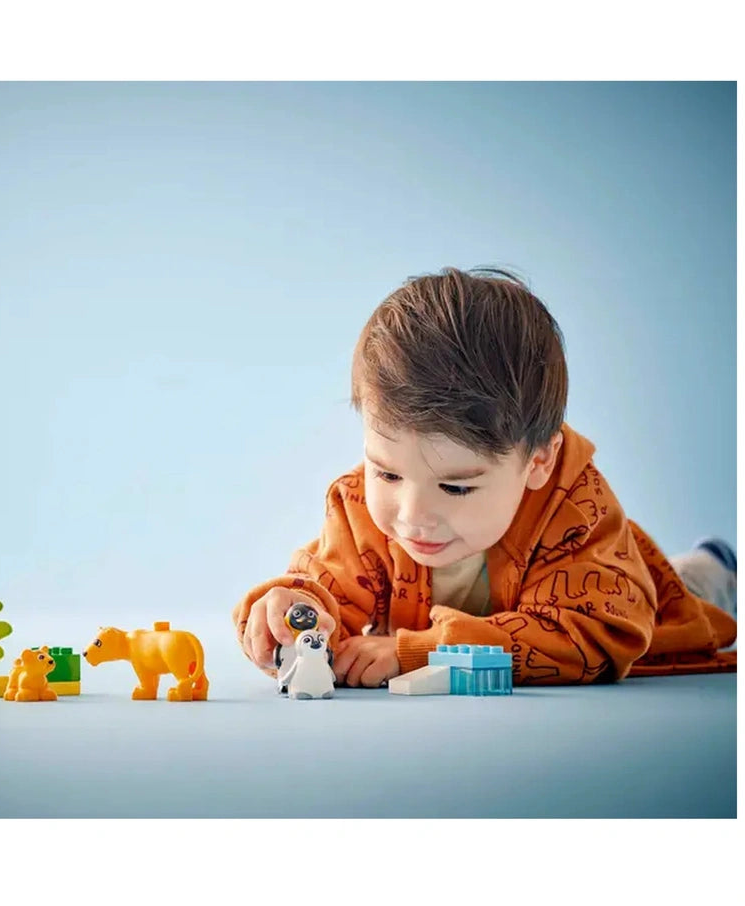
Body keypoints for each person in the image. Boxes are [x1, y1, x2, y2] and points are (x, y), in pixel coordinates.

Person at [232, 267, 737, 687]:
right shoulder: (362, 505)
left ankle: (712, 567)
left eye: (456, 486)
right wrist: (295, 605)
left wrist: (423, 653)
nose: (412, 517)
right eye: (386, 472)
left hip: (625, 592)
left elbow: (592, 636)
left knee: (682, 599)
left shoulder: (577, 514)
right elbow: (330, 582)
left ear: (537, 462)